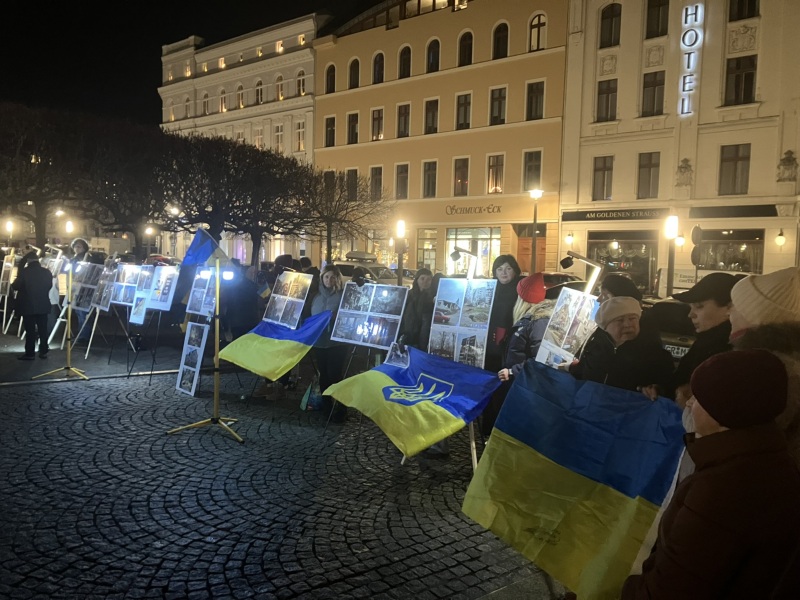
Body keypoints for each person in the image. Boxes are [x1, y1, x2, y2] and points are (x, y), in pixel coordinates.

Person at [621, 349, 800, 599]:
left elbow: (671, 590)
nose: (690, 403)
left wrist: (617, 585)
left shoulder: (723, 489)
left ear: (723, 411)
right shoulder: (773, 460)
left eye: (699, 397)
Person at [727, 266, 800, 466]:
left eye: (735, 305)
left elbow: (736, 434)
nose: (729, 312)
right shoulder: (782, 359)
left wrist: (696, 409)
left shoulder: (764, 370)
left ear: (753, 317)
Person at [569, 296, 674, 397]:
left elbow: (668, 387)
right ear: (605, 326)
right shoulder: (593, 346)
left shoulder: (655, 354)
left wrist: (656, 389)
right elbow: (581, 374)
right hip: (591, 410)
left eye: (632, 318)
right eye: (620, 320)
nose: (628, 324)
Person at [668, 273, 738, 407]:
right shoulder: (704, 341)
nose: (691, 314)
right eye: (691, 307)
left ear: (729, 307)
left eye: (699, 306)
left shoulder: (731, 351)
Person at [481, 254, 523, 435]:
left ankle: (501, 430)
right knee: (489, 385)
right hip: (490, 345)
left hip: (511, 345)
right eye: (499, 269)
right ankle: (487, 426)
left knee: (504, 388)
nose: (503, 273)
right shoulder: (490, 289)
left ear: (515, 270)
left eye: (508, 268)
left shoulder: (520, 290)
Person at [498, 273, 555, 381]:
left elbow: (541, 359)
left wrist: (512, 372)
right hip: (519, 381)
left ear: (523, 298)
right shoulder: (529, 319)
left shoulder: (539, 321)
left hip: (524, 384)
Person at [311, 265, 348, 423]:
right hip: (320, 343)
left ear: (337, 279)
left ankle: (341, 407)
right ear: (322, 278)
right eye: (326, 277)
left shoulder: (342, 296)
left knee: (335, 375)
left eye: (332, 277)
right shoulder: (316, 297)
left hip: (336, 343)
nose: (329, 280)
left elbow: (347, 317)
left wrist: (336, 318)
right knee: (324, 376)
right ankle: (327, 407)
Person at [11, 256, 53, 360]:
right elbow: (49, 286)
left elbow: (15, 286)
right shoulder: (47, 272)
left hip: (28, 305)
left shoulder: (24, 272)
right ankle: (43, 351)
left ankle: (30, 353)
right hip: (43, 304)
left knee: (30, 331)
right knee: (43, 329)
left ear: (28, 261)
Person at [398, 268, 435, 350]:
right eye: (422, 278)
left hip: (424, 337)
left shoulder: (433, 298)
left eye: (428, 279)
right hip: (409, 334)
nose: (425, 282)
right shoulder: (408, 295)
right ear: (417, 279)